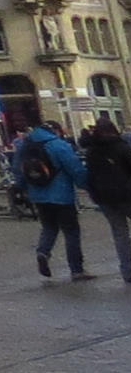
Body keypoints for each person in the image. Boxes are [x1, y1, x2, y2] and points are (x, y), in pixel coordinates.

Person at [14, 118, 93, 281]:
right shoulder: (59, 145)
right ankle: (77, 269)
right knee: (71, 232)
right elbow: (75, 168)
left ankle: (43, 252)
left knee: (49, 227)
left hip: (38, 196)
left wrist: (23, 188)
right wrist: (87, 186)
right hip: (62, 196)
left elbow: (17, 169)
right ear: (55, 131)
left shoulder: (25, 146)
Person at [81, 118, 131, 285]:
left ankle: (127, 270)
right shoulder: (122, 147)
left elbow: (89, 176)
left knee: (120, 234)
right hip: (126, 195)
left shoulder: (91, 152)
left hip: (105, 198)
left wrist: (94, 194)